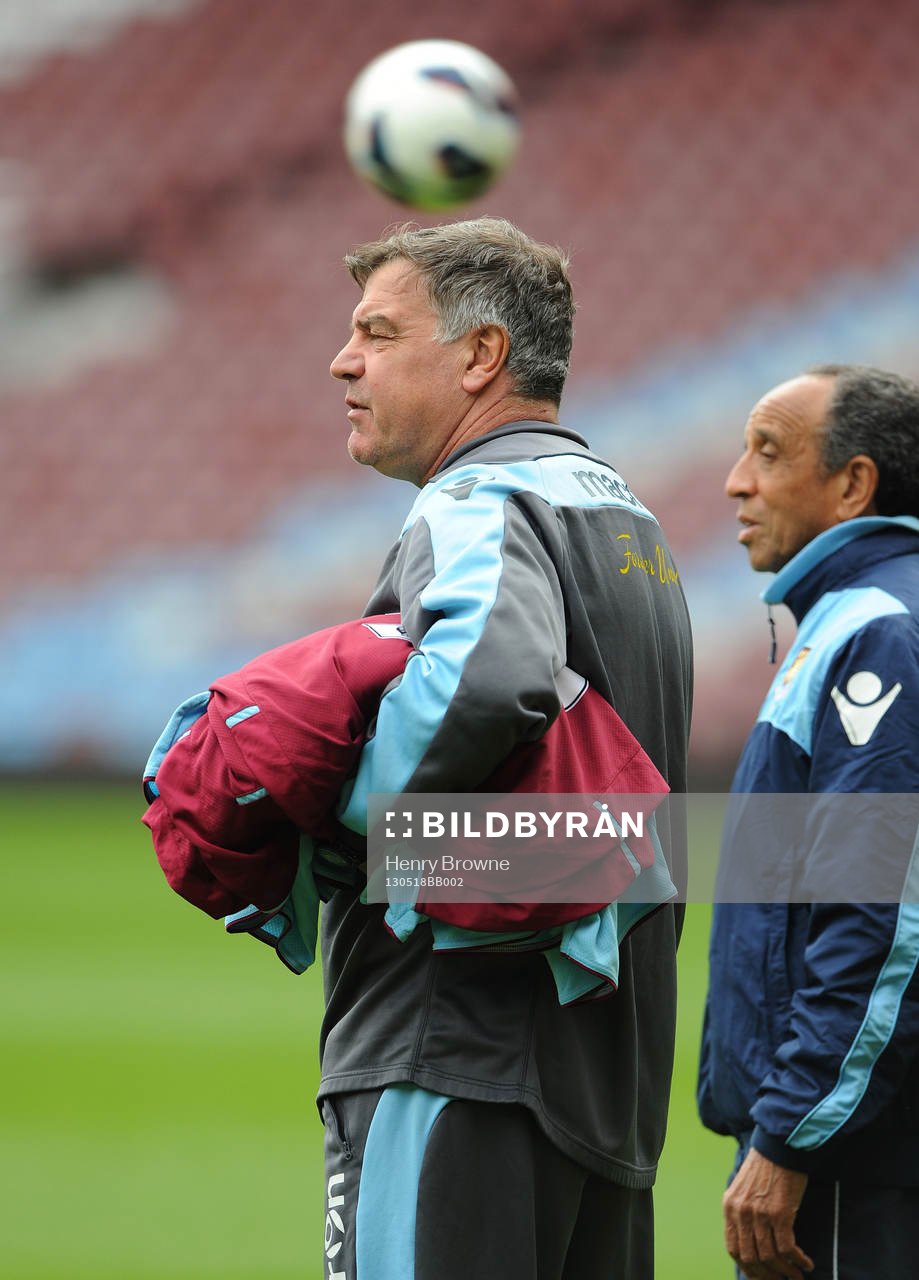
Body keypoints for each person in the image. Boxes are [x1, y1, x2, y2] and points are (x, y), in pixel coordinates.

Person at [318, 217, 693, 1280]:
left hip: (457, 1052)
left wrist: (344, 815)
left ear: (481, 355)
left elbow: (492, 671)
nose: (343, 360)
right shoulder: (628, 519)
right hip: (601, 1082)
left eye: (378, 332)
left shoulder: (479, 494)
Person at [697, 364, 919, 1279]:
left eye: (768, 451)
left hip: (856, 1159)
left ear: (852, 485)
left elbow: (881, 913)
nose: (735, 481)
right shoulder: (862, 617)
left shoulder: (878, 632)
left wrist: (790, 1132)